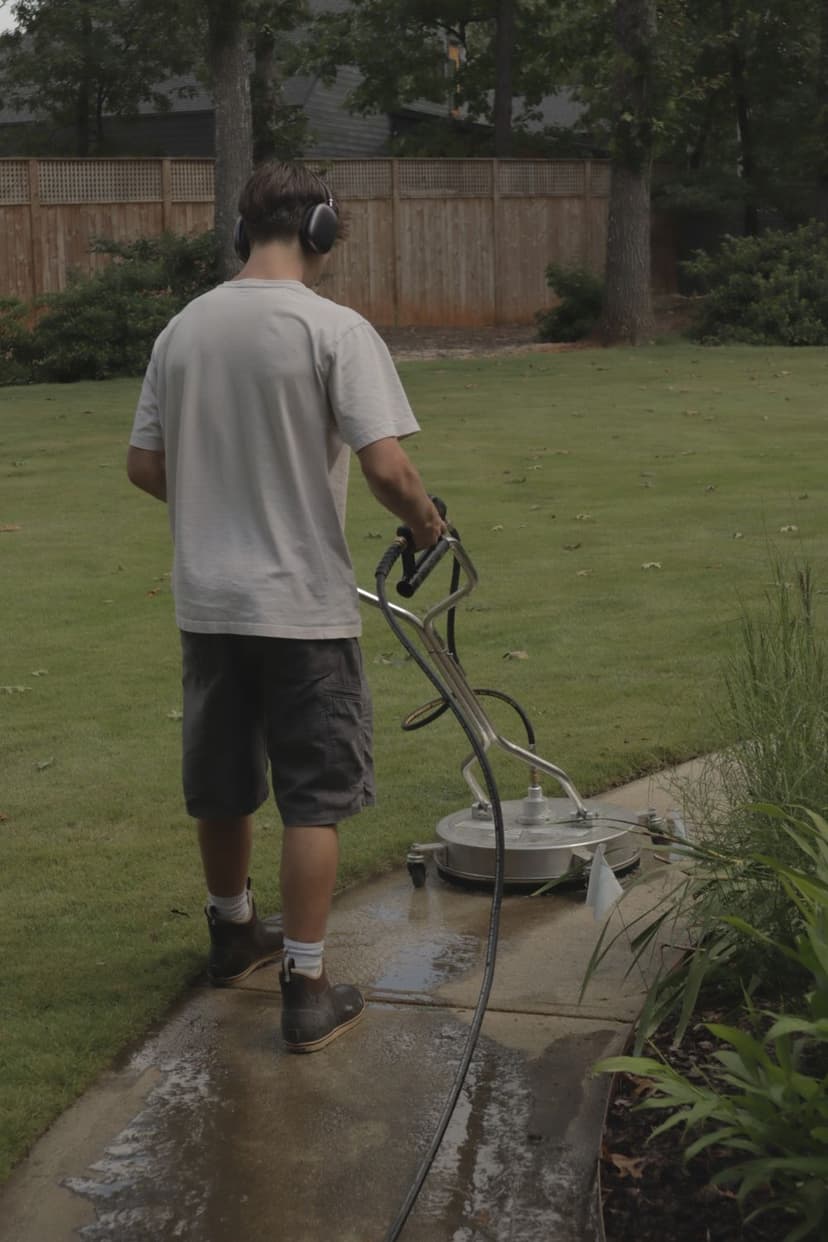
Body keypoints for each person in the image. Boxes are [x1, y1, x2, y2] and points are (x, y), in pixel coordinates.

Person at [126, 161, 444, 1054]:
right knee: (314, 794)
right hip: (301, 606)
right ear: (322, 233)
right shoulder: (333, 328)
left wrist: (216, 507)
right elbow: (388, 469)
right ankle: (307, 984)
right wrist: (425, 527)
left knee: (223, 779)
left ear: (242, 232)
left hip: (209, 601)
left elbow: (144, 465)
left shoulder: (181, 331)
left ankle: (233, 933)